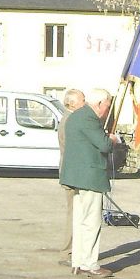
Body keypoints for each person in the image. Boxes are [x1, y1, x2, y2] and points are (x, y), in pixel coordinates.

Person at [59, 88, 119, 278]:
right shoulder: (88, 118)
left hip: (77, 176)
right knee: (91, 222)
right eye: (107, 106)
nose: (107, 111)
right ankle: (89, 264)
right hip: (90, 176)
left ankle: (77, 261)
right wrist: (113, 139)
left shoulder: (76, 116)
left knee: (79, 220)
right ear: (99, 103)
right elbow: (104, 145)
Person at [58, 89, 85, 266]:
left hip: (71, 172)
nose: (85, 103)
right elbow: (73, 148)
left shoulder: (70, 118)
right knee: (74, 214)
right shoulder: (69, 121)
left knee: (75, 212)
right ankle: (68, 252)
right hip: (72, 173)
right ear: (72, 103)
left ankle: (72, 250)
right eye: (83, 100)